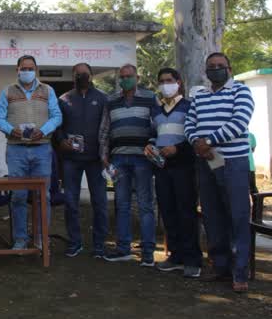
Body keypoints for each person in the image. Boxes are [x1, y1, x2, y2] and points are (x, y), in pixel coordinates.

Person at [184, 52, 254, 292]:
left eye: (220, 66)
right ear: (205, 72)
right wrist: (197, 143)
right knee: (212, 216)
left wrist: (209, 141)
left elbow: (239, 122)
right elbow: (189, 123)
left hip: (233, 162)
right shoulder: (200, 96)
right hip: (206, 162)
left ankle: (240, 273)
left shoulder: (241, 91)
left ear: (229, 69)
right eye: (211, 67)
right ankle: (221, 268)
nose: (215, 69)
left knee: (237, 216)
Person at [0, 55, 62, 250]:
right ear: (17, 69)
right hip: (16, 150)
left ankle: (41, 238)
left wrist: (44, 130)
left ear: (36, 69)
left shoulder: (48, 90)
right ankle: (20, 239)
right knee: (18, 196)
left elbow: (57, 116)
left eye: (30, 68)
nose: (27, 71)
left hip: (42, 148)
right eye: (23, 68)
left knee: (44, 196)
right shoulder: (7, 91)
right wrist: (10, 130)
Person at [145, 67, 202, 278]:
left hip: (184, 166)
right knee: (168, 212)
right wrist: (150, 146)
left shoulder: (190, 106)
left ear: (179, 82)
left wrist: (178, 149)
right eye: (161, 81)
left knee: (186, 212)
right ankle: (176, 256)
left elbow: (195, 135)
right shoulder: (157, 109)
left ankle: (193, 259)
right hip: (162, 167)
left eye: (169, 80)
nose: (165, 84)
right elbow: (153, 133)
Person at [103, 64, 157, 266]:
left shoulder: (150, 98)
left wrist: (152, 146)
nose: (125, 79)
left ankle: (148, 252)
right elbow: (105, 129)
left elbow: (157, 125)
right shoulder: (111, 100)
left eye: (129, 76)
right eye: (122, 77)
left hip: (142, 159)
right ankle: (123, 248)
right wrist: (104, 155)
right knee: (121, 204)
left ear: (137, 77)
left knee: (145, 205)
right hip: (118, 159)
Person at [54, 63, 109, 259]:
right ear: (72, 77)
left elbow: (108, 128)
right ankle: (75, 242)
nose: (81, 77)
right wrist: (62, 141)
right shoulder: (64, 100)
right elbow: (57, 127)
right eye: (78, 74)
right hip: (71, 160)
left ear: (92, 75)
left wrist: (106, 155)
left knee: (100, 202)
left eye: (85, 74)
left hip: (96, 160)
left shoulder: (103, 99)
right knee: (70, 202)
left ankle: (99, 245)